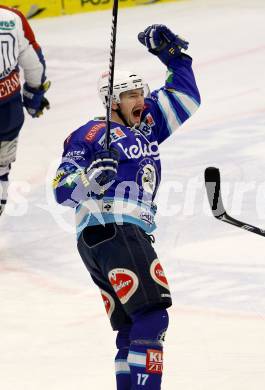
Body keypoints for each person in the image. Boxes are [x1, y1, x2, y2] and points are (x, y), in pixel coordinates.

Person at [53, 24, 200, 389]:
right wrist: (88, 182)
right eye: (130, 94)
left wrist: (174, 57)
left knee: (132, 327)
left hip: (111, 237)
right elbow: (61, 189)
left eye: (140, 92)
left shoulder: (146, 126)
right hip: (116, 229)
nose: (139, 100)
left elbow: (185, 98)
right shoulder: (90, 134)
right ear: (111, 101)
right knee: (153, 318)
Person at [0, 5, 50, 216]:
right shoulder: (11, 17)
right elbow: (34, 64)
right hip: (8, 113)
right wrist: (33, 98)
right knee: (1, 168)